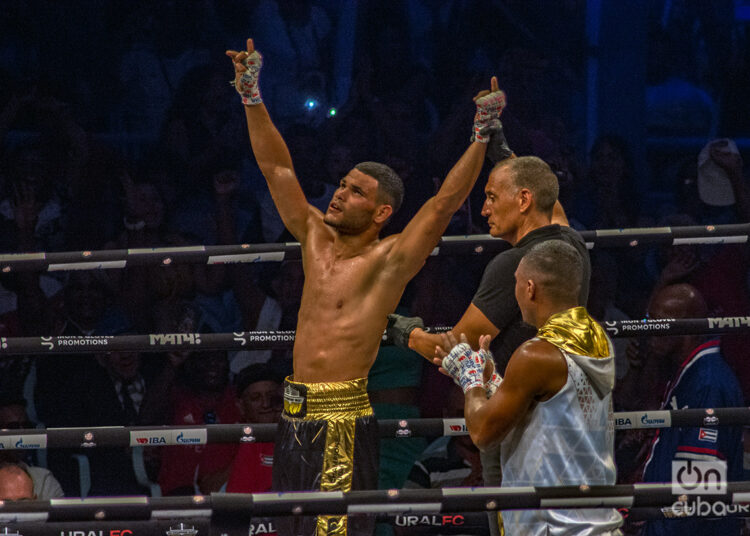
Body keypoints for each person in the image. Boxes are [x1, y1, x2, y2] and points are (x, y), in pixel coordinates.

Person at [226, 37, 503, 536]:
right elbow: (277, 167)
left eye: (356, 191)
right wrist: (252, 95)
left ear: (380, 213)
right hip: (295, 413)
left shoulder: (389, 260)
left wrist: (481, 134)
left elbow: (442, 203)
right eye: (343, 183)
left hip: (342, 418)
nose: (340, 193)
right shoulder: (313, 237)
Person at [388, 153, 590, 536]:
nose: (483, 210)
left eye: (492, 197)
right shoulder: (571, 247)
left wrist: (403, 331)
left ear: (524, 200)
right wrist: (500, 145)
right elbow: (552, 202)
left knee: (516, 522)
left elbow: (456, 350)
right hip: (566, 415)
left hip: (514, 417)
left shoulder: (514, 266)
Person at [438, 240, 622, 535]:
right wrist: (492, 382)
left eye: (516, 283)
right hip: (593, 522)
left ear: (530, 288)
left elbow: (483, 433)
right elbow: (554, 407)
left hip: (551, 526)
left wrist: (469, 378)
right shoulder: (595, 339)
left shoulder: (534, 355)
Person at [637, 284, 744, 536]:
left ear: (685, 326)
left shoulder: (708, 382)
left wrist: (661, 531)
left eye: (658, 322)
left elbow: (700, 490)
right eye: (647, 319)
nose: (648, 328)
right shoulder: (691, 372)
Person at [226, 363, 283, 493]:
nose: (265, 404)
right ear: (241, 406)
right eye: (255, 398)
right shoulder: (229, 436)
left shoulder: (300, 433)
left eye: (271, 397)